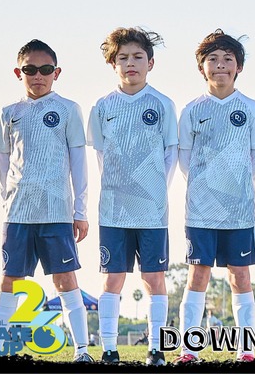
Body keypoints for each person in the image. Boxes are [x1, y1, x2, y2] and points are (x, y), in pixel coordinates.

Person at [0, 39, 94, 362]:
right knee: (10, 279)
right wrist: (9, 199)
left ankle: (82, 350)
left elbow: (79, 164)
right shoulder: (9, 113)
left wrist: (80, 211)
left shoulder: (68, 110)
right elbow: (2, 163)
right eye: (30, 69)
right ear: (18, 73)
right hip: (18, 214)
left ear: (56, 73)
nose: (38, 76)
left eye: (45, 69)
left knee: (65, 279)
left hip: (57, 213)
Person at [175, 29, 255, 364]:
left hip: (240, 210)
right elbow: (185, 161)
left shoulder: (253, 109)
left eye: (228, 59)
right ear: (202, 67)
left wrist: (234, 189)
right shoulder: (191, 110)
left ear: (238, 66)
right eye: (212, 59)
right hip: (200, 210)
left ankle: (246, 350)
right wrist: (207, 189)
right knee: (197, 275)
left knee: (240, 276)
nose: (220, 65)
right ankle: (189, 349)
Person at [86, 27, 175, 366]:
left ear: (150, 63)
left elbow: (170, 155)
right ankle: (109, 349)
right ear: (113, 64)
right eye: (123, 58)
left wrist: (154, 192)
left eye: (138, 57)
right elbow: (101, 157)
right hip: (114, 210)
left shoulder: (163, 104)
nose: (130, 63)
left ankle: (156, 348)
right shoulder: (102, 106)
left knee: (154, 278)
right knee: (112, 278)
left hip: (152, 211)